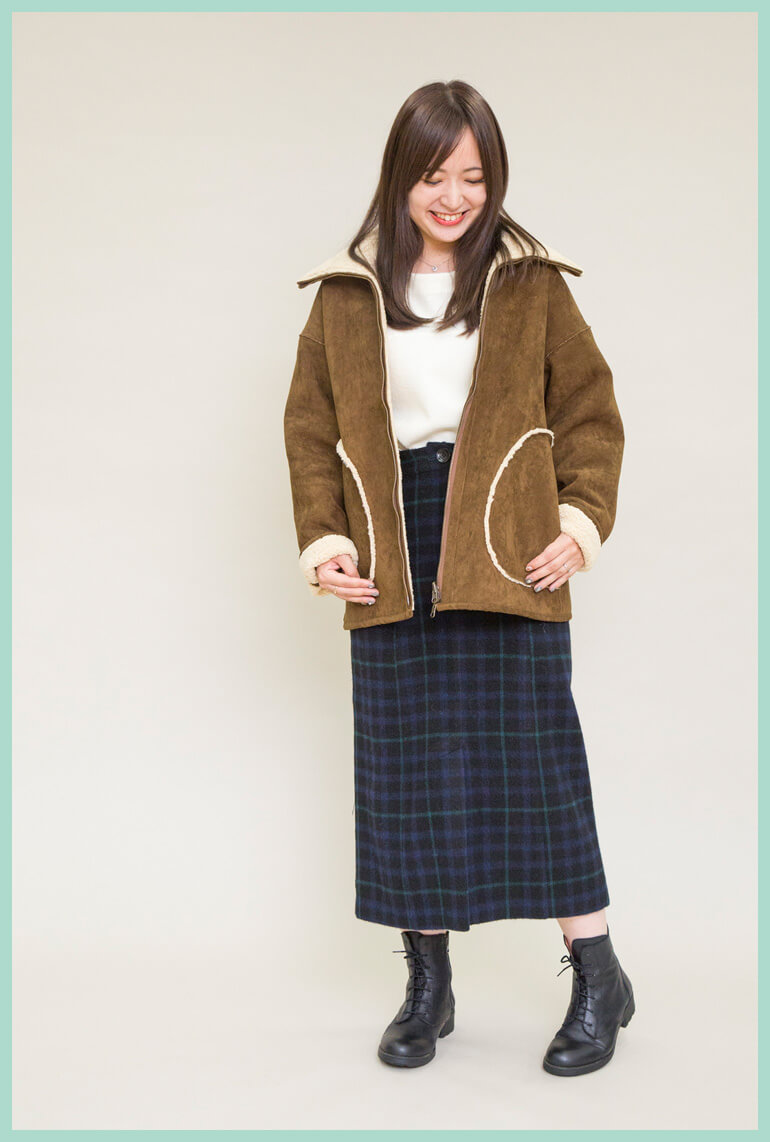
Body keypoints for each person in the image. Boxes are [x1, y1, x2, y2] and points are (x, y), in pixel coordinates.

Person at [283, 80, 634, 1078]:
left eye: (474, 177)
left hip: (506, 539)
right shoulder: (347, 293)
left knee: (539, 763)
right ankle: (428, 986)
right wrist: (326, 540)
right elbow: (309, 429)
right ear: (400, 178)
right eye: (434, 175)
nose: (454, 197)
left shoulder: (530, 285)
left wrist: (578, 523)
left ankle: (598, 973)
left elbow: (591, 413)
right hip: (393, 549)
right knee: (409, 773)